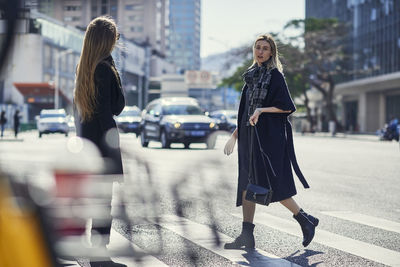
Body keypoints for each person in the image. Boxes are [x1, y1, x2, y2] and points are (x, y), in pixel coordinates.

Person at [223, 34, 319, 249]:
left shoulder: (275, 76)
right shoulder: (251, 76)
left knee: (272, 184)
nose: (261, 51)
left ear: (271, 53)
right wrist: (235, 135)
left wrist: (262, 109)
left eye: (265, 48)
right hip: (249, 138)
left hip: (267, 140)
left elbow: (287, 106)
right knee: (246, 185)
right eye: (258, 47)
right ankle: (246, 235)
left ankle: (305, 220)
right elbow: (247, 112)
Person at [73, 16, 126, 267]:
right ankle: (99, 255)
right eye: (115, 37)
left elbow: (81, 112)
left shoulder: (84, 66)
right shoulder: (105, 68)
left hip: (87, 140)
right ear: (108, 40)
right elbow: (114, 108)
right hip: (104, 142)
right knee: (103, 202)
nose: (117, 41)